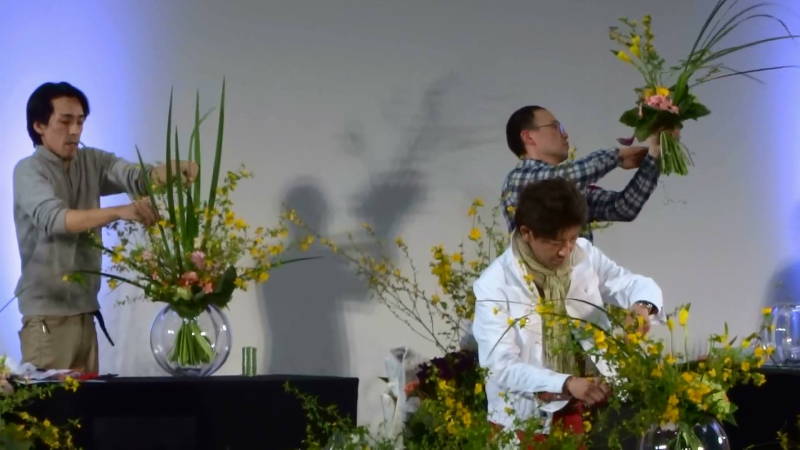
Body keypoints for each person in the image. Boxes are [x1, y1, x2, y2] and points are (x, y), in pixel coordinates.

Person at [13, 81, 196, 373]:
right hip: (47, 317)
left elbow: (137, 178)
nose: (75, 130)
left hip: (86, 312)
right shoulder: (28, 170)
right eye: (65, 121)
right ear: (39, 125)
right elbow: (57, 220)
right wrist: (120, 211)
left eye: (80, 121)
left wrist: (169, 171)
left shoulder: (92, 160)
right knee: (51, 402)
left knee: (89, 402)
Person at [472, 178, 662, 440]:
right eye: (555, 242)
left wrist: (642, 307)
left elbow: (630, 283)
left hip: (595, 403)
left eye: (572, 238)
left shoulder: (583, 254)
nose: (566, 251)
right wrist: (566, 383)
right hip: (529, 420)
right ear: (527, 233)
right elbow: (499, 365)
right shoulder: (494, 284)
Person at [502, 105, 663, 240]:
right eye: (556, 127)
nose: (565, 134)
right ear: (528, 137)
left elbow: (624, 208)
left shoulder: (570, 188)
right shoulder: (517, 180)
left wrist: (653, 155)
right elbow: (565, 177)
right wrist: (617, 156)